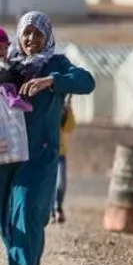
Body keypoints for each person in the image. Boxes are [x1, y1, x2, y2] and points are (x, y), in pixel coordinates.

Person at [0, 11, 94, 265]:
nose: (31, 39)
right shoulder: (6, 63)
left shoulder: (56, 64)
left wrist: (50, 81)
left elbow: (86, 81)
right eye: (26, 33)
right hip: (4, 153)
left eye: (37, 34)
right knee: (4, 216)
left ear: (47, 37)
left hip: (39, 155)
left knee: (27, 212)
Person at [53, 96, 76, 224]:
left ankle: (58, 207)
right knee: (49, 185)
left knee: (61, 183)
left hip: (60, 152)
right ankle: (51, 211)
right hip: (46, 150)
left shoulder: (64, 111)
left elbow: (69, 128)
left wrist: (68, 111)